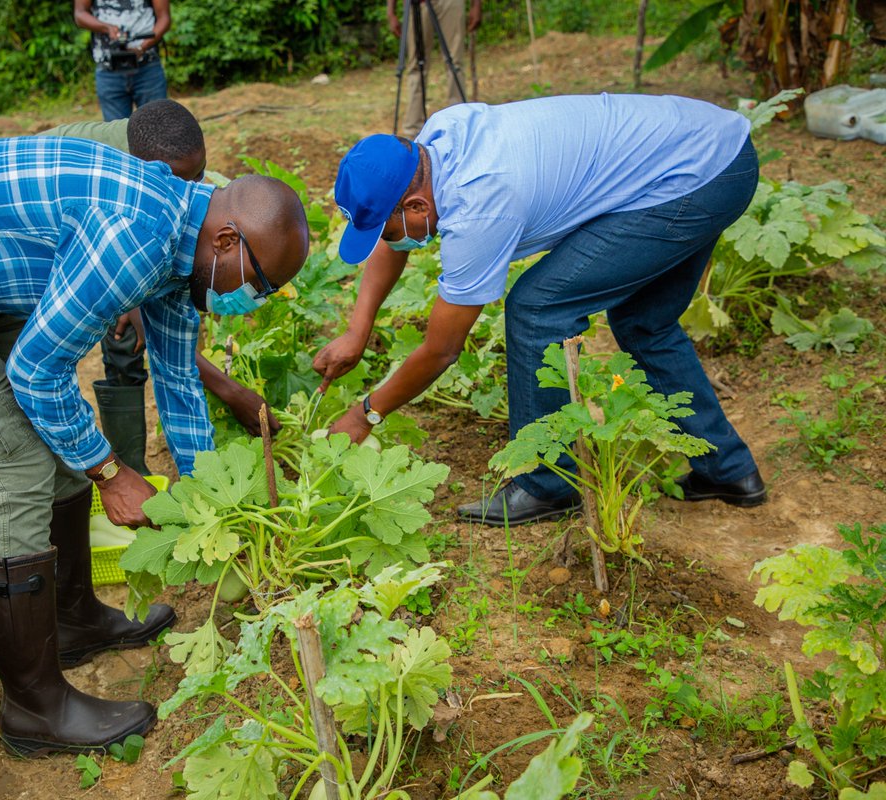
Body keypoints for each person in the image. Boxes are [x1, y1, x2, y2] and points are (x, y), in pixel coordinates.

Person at [0, 137, 309, 755]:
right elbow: (35, 372)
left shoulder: (190, 249)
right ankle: (33, 709)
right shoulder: (137, 239)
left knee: (58, 442)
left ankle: (74, 620)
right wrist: (111, 473)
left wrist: (207, 493)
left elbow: (179, 379)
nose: (253, 301)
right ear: (228, 241)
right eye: (259, 285)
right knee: (13, 469)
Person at [313, 94, 768, 526]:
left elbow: (442, 350)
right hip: (714, 151)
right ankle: (728, 471)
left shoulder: (480, 208)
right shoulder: (434, 144)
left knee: (538, 309)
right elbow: (395, 235)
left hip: (694, 178)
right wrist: (357, 330)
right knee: (644, 322)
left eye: (387, 230)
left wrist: (365, 414)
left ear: (416, 205)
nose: (390, 241)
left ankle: (547, 483)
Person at [40, 99, 281, 474]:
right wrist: (229, 389)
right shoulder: (116, 178)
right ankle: (125, 468)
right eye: (179, 182)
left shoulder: (173, 154)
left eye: (198, 176)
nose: (188, 191)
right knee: (121, 330)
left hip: (117, 237)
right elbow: (122, 269)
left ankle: (129, 470)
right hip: (44, 237)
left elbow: (174, 357)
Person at [388, 0, 481, 139]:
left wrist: (476, 5)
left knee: (455, 62)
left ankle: (460, 124)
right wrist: (391, 13)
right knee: (416, 66)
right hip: (417, 4)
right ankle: (413, 131)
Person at [74, 0, 171, 122]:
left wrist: (142, 47)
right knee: (116, 131)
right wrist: (107, 28)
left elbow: (164, 18)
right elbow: (79, 14)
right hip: (108, 69)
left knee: (157, 125)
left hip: (147, 67)